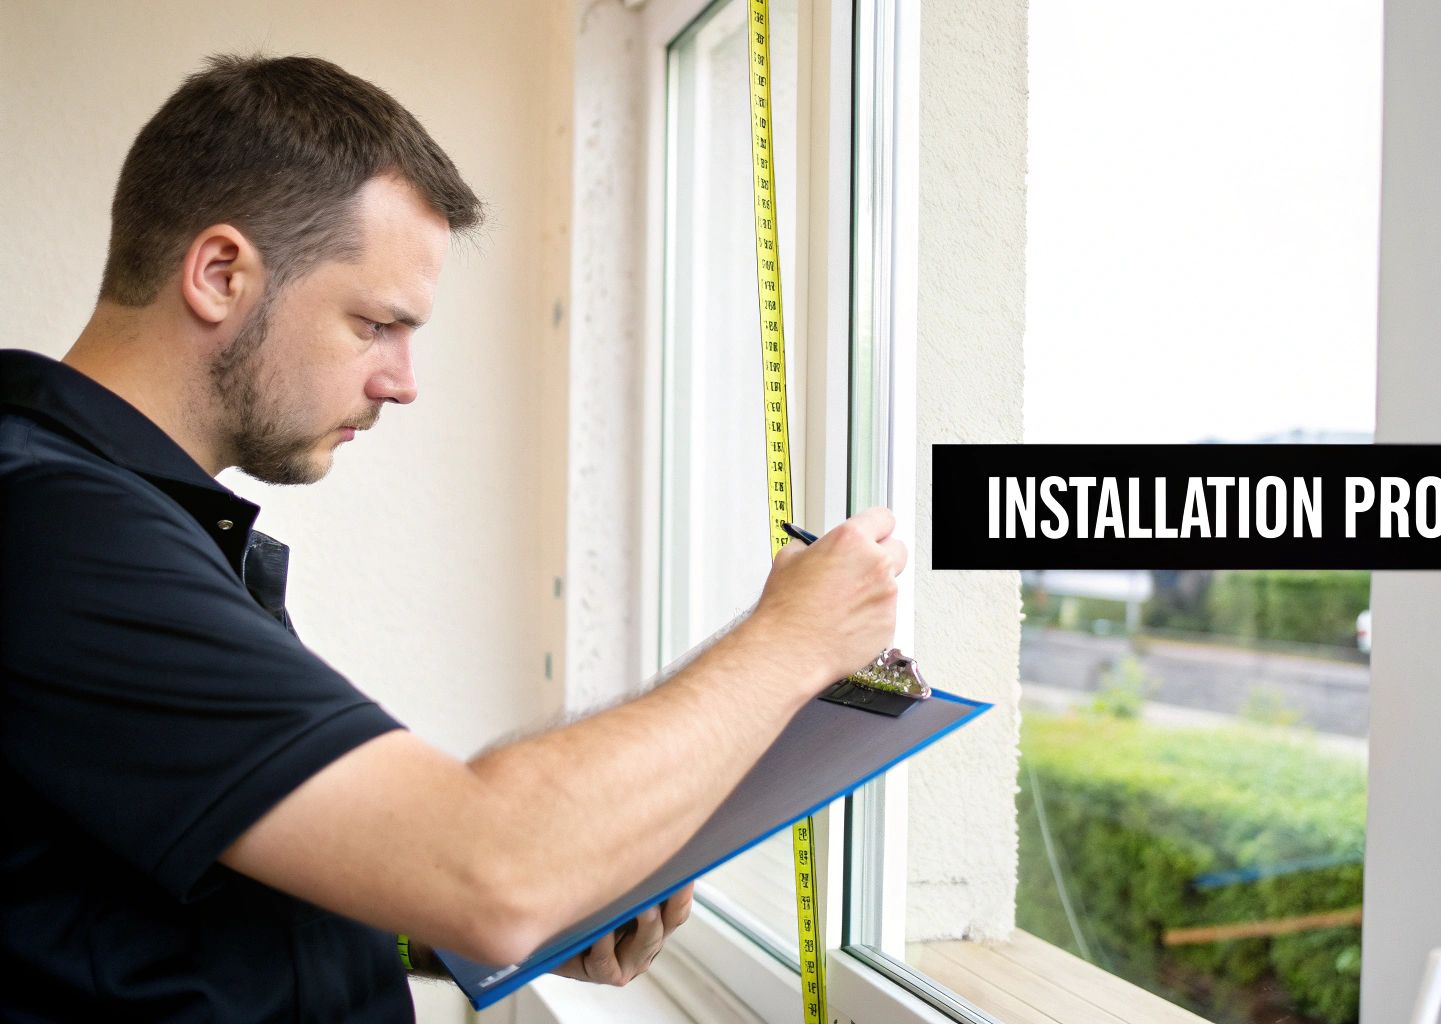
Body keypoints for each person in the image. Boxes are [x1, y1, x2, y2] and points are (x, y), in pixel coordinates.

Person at [0, 54, 905, 1022]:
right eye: (375, 323)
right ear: (220, 273)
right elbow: (493, 862)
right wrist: (793, 641)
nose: (402, 381)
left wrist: (438, 925)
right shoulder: (56, 533)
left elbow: (161, 893)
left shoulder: (125, 514)